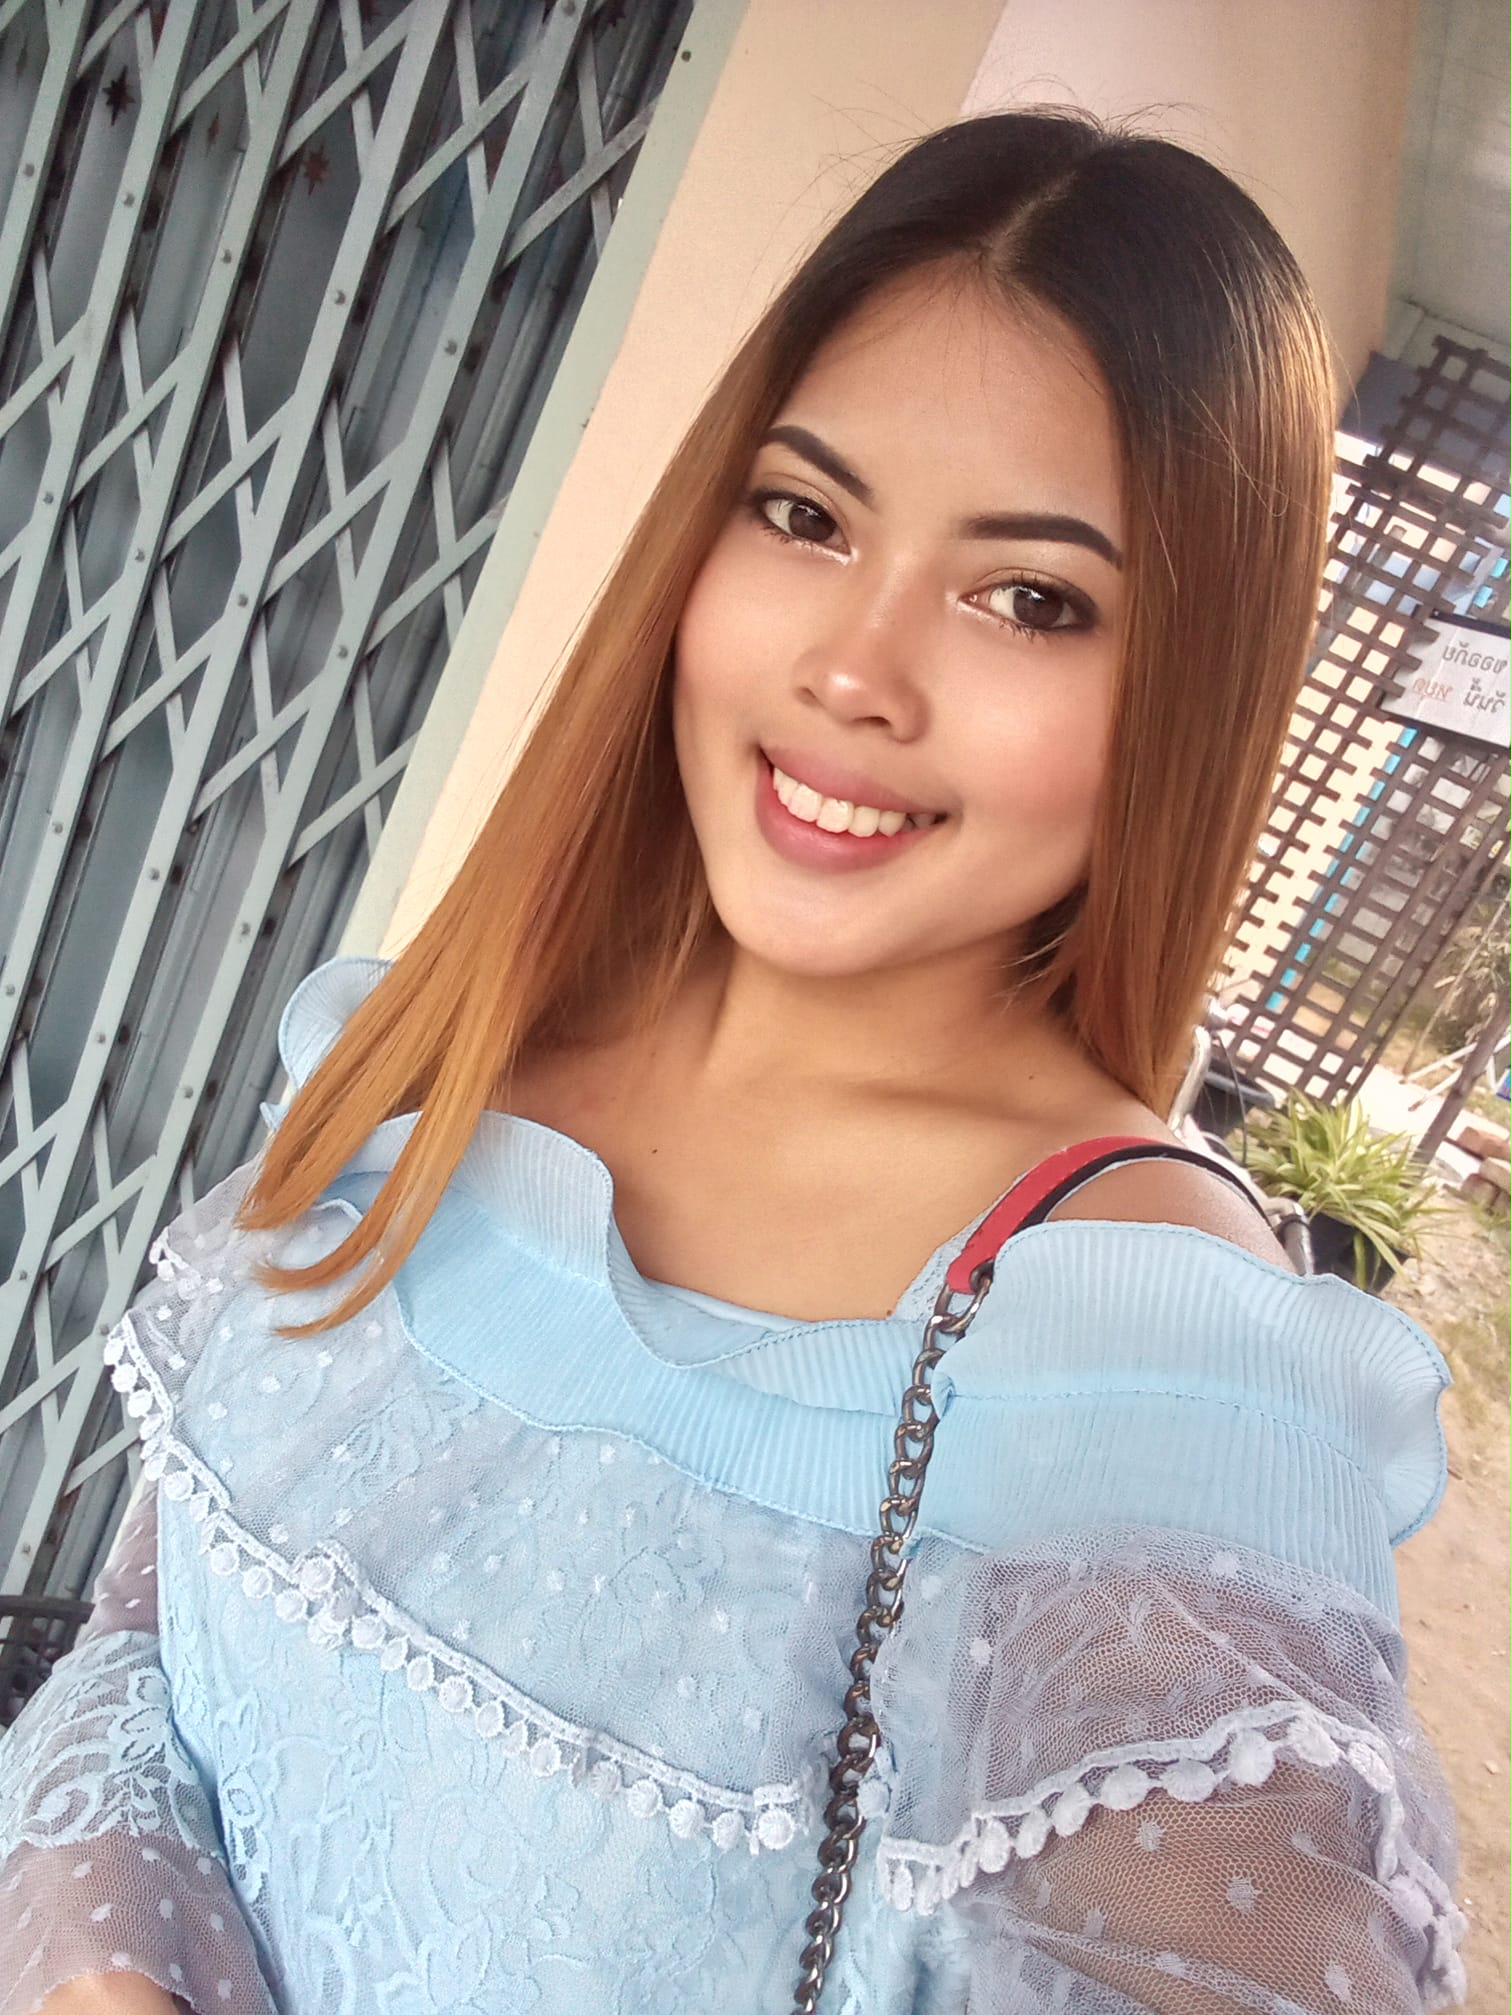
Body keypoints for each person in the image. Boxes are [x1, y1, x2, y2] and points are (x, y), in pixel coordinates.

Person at [0, 109, 1465, 2015]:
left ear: (1186, 694)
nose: (854, 669)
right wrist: (104, 1973)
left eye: (1032, 599)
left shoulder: (1152, 1372)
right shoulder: (429, 1055)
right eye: (806, 515)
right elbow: (140, 1649)